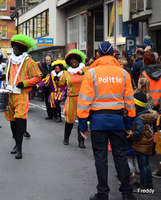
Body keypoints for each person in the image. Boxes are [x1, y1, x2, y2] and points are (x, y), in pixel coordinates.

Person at [77, 41, 136, 200]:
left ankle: (102, 194)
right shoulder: (124, 73)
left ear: (98, 55)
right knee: (120, 157)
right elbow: (130, 102)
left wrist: (83, 126)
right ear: (113, 54)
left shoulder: (91, 73)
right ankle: (126, 193)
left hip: (97, 121)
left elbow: (84, 102)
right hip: (117, 120)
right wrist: (129, 124)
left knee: (101, 158)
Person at [4, 34, 42, 159]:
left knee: (20, 120)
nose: (14, 49)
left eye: (16, 47)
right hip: (9, 94)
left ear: (22, 48)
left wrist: (24, 83)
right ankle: (16, 144)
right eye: (13, 47)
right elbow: (8, 75)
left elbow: (38, 77)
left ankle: (20, 148)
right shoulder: (10, 60)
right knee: (12, 121)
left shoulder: (29, 61)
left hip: (21, 95)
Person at [127, 93, 156, 191]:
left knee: (142, 165)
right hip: (148, 145)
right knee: (147, 165)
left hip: (141, 146)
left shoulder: (139, 119)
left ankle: (143, 185)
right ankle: (149, 183)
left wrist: (131, 135)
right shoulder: (148, 116)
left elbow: (138, 133)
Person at [59, 49, 87, 148]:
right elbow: (60, 84)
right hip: (71, 99)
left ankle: (81, 140)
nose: (73, 62)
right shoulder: (66, 73)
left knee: (82, 120)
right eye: (71, 60)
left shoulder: (85, 70)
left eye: (75, 59)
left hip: (82, 99)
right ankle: (66, 138)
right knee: (69, 120)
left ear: (79, 60)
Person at [39, 55, 54, 120]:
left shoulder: (54, 66)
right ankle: (50, 114)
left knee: (53, 101)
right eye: (47, 60)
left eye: (49, 60)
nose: (48, 61)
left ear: (51, 60)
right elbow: (40, 78)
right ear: (45, 61)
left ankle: (55, 114)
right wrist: (39, 88)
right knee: (47, 101)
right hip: (46, 86)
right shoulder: (42, 67)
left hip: (53, 87)